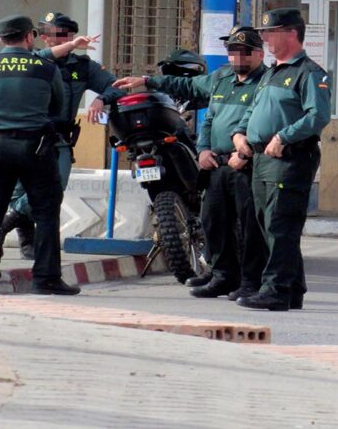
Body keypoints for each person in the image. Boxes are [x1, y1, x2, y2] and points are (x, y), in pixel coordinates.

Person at [114, 27, 269, 301]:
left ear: (259, 54)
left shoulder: (266, 82)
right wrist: (203, 150)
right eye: (232, 51)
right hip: (216, 164)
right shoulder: (221, 78)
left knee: (250, 226)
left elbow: (265, 120)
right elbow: (195, 99)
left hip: (247, 164)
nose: (236, 57)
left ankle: (250, 281)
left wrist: (244, 153)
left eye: (243, 52)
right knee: (214, 221)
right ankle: (222, 276)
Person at [0, 15, 80, 295]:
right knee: (47, 213)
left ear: (2, 39)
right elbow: (57, 105)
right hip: (36, 148)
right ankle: (46, 279)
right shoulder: (45, 67)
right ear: (29, 36)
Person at [0, 12, 122, 260]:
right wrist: (70, 46)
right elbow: (38, 58)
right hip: (26, 135)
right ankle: (27, 242)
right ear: (44, 38)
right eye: (51, 34)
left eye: (67, 35)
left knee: (55, 188)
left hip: (57, 138)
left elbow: (115, 85)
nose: (65, 39)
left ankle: (6, 223)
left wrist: (101, 98)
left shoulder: (82, 67)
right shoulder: (32, 60)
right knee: (21, 189)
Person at [231, 9, 330, 311]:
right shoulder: (273, 72)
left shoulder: (309, 72)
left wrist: (283, 137)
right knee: (267, 224)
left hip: (288, 158)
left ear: (290, 33)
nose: (264, 38)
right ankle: (293, 288)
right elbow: (253, 110)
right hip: (261, 158)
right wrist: (240, 136)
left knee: (281, 226)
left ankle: (275, 291)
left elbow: (318, 116)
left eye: (269, 32)